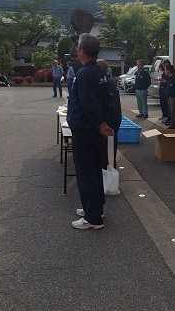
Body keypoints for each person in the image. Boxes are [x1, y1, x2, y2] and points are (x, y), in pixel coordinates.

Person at [67, 33, 114, 230]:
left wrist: (99, 124)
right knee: (94, 171)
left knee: (86, 173)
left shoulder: (85, 73)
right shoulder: (99, 71)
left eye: (78, 47)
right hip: (95, 131)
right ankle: (95, 208)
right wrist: (103, 124)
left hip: (86, 130)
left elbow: (88, 103)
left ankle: (93, 218)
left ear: (82, 51)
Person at [97, 59, 122, 169]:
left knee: (108, 151)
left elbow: (108, 106)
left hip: (111, 121)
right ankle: (110, 168)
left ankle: (108, 171)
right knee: (110, 149)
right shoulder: (109, 81)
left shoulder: (107, 82)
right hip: (114, 118)